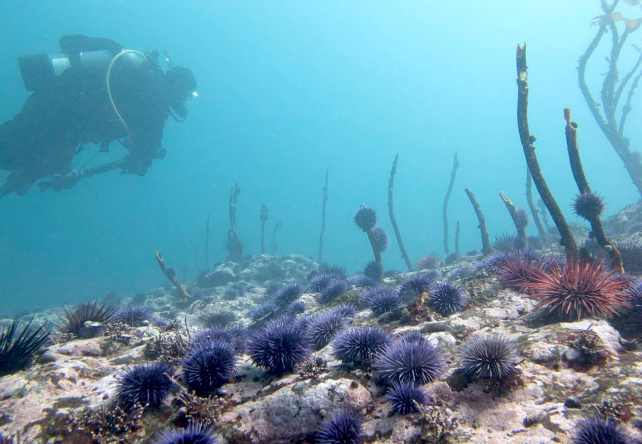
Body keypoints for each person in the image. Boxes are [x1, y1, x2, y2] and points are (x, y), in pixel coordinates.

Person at [0, 34, 197, 197]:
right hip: (63, 116)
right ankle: (24, 174)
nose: (183, 101)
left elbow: (68, 41)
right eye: (186, 95)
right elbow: (145, 150)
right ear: (177, 86)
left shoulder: (141, 71)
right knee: (19, 150)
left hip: (55, 100)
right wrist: (143, 158)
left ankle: (23, 175)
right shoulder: (158, 96)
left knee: (32, 153)